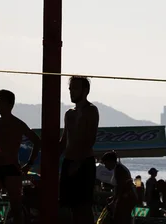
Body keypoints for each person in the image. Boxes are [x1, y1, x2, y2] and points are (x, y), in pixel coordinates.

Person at [0, 89, 41, 224]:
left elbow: (37, 141)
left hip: (12, 169)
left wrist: (29, 164)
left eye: (1, 102)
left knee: (16, 208)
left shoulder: (18, 124)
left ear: (9, 104)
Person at [59, 76, 99, 224]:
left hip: (84, 163)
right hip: (68, 161)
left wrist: (78, 162)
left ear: (85, 90)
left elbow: (90, 139)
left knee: (84, 206)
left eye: (75, 89)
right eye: (70, 89)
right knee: (66, 206)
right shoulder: (69, 113)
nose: (72, 92)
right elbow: (64, 140)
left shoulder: (91, 111)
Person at [101, 151, 137, 224]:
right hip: (129, 197)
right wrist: (113, 198)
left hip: (127, 198)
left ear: (110, 161)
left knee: (120, 218)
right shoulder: (119, 168)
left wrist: (114, 202)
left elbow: (120, 187)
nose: (105, 166)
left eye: (105, 163)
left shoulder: (119, 170)